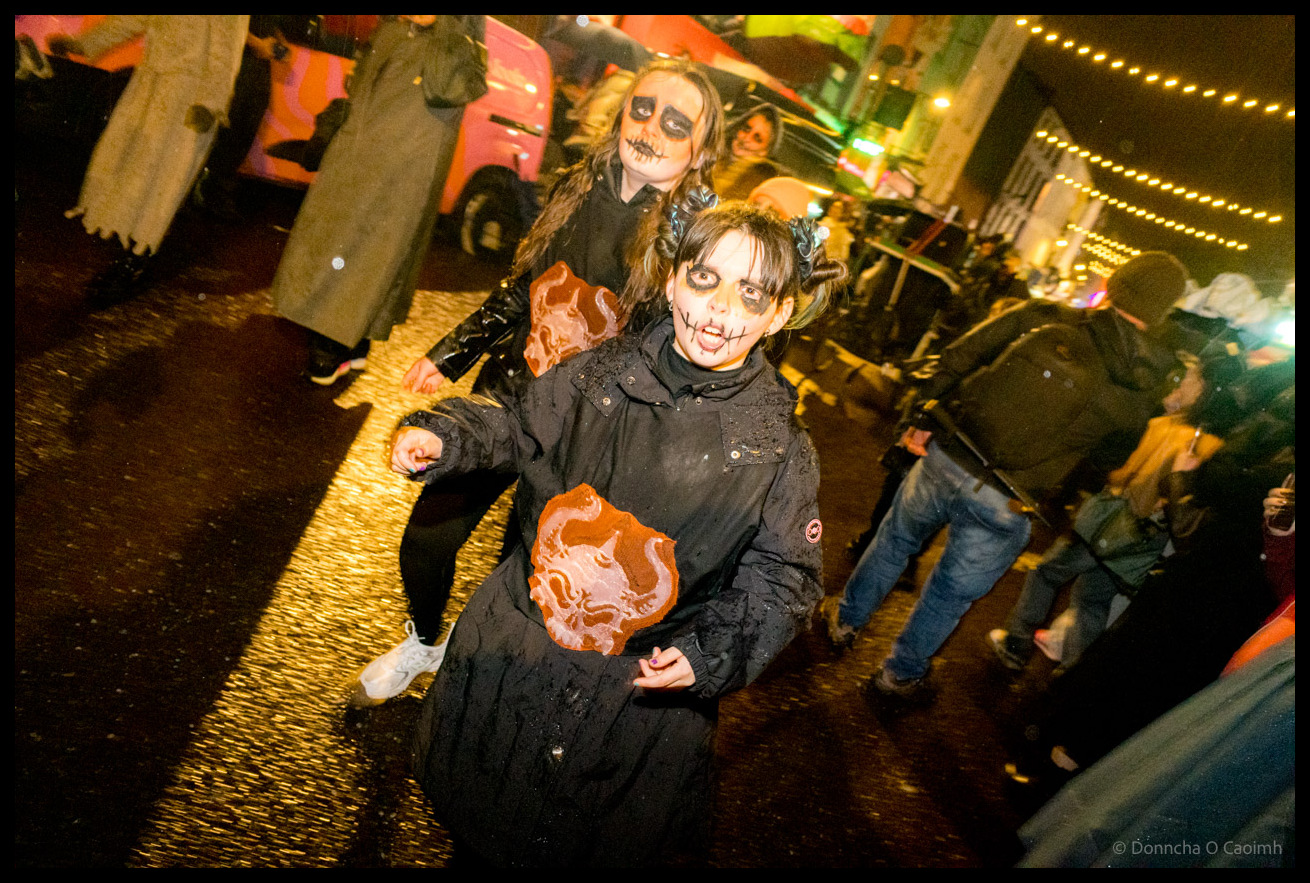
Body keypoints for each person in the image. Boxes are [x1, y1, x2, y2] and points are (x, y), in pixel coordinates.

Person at [395, 200, 846, 866]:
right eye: (704, 278)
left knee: (575, 837)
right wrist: (449, 435)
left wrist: (713, 650)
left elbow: (784, 577)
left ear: (778, 313)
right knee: (484, 824)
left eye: (750, 293)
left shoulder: (776, 446)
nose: (720, 308)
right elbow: (516, 423)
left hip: (633, 704)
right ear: (671, 280)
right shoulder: (597, 374)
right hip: (524, 647)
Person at [352, 58, 726, 706]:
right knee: (427, 538)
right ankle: (426, 643)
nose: (652, 129)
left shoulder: (690, 240)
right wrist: (453, 350)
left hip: (584, 431)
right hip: (509, 399)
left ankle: (473, 685)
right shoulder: (575, 189)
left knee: (522, 572)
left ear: (699, 149)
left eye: (676, 122)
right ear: (619, 116)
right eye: (642, 109)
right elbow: (526, 289)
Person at [818, 251, 1189, 699]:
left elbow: (960, 356)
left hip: (952, 454)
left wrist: (920, 417)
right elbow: (1110, 459)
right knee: (951, 593)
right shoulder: (1139, 386)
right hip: (1013, 497)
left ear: (1113, 285)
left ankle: (844, 621)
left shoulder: (1043, 317)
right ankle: (899, 675)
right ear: (1161, 312)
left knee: (896, 541)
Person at [987, 347, 1241, 673]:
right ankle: (1069, 677)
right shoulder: (1215, 445)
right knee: (1091, 602)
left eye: (1193, 376)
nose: (1186, 380)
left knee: (1046, 572)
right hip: (1144, 543)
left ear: (1204, 387)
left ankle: (1015, 644)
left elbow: (1129, 477)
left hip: (1111, 527)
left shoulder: (1166, 429)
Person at [269, 15, 486, 385]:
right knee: (343, 237)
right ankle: (351, 343)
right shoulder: (395, 30)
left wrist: (448, 26)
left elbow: (444, 85)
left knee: (371, 247)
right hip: (363, 149)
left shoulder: (455, 42)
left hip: (402, 163)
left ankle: (333, 341)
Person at [47, 16, 248, 307]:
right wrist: (82, 43)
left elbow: (226, 51)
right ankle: (128, 249)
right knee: (128, 169)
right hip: (150, 85)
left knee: (162, 182)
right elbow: (132, 18)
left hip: (189, 99)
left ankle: (136, 262)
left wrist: (211, 104)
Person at [191, 16, 290, 222]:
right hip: (234, 62)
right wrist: (257, 43)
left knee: (242, 131)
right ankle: (202, 189)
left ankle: (215, 190)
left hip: (257, 68)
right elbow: (222, 23)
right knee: (224, 128)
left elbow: (272, 27)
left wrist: (280, 45)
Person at [713, 103, 783, 200]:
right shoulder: (710, 150)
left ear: (765, 151)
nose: (746, 138)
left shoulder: (760, 185)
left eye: (757, 138)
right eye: (746, 129)